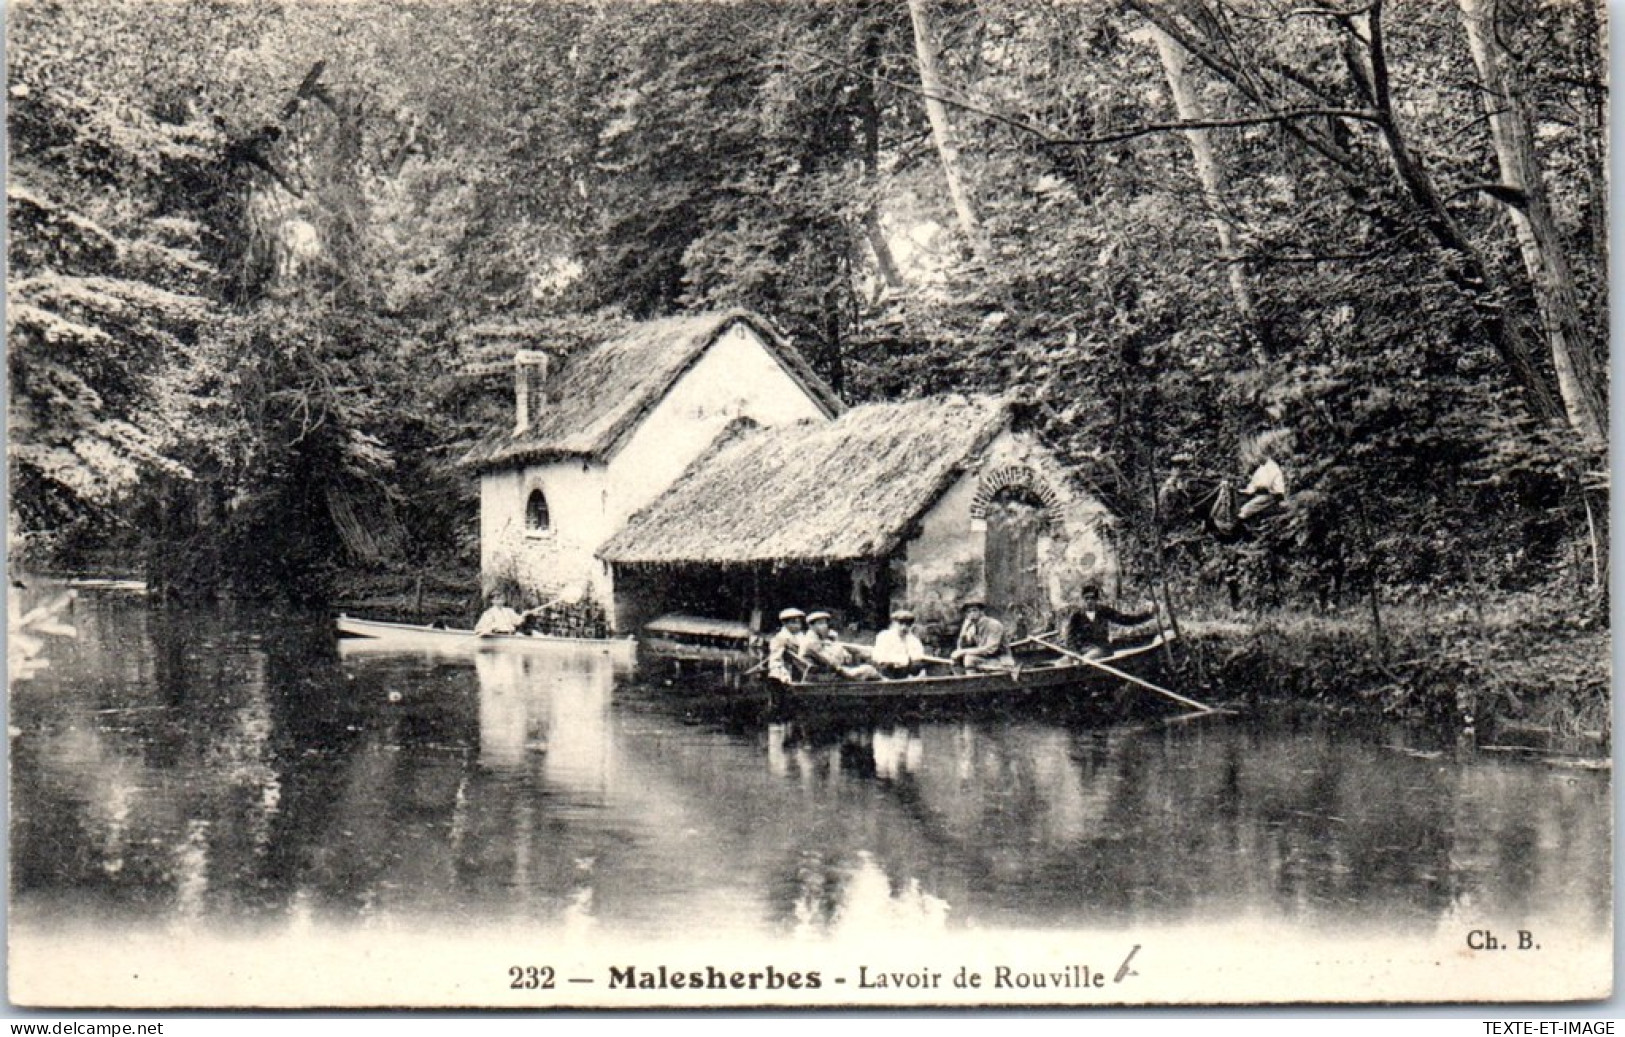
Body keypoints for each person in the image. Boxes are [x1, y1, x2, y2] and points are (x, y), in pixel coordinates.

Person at [1060, 583, 1155, 659]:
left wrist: (1148, 615)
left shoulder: (1104, 611)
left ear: (1097, 600)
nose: (1089, 601)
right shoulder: (1077, 615)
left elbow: (1126, 620)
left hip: (1102, 648)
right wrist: (1074, 653)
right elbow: (1070, 638)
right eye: (1086, 599)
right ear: (1083, 600)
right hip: (1083, 649)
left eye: (1092, 598)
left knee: (1087, 659)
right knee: (1063, 662)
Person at [798, 611, 882, 681]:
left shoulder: (815, 638)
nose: (825, 626)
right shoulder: (811, 642)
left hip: (821, 674)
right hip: (820, 677)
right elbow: (831, 662)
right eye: (820, 623)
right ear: (811, 626)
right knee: (868, 670)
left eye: (825, 623)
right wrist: (840, 651)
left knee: (865, 661)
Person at [950, 599, 1014, 672]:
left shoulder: (994, 625)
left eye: (974, 610)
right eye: (968, 612)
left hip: (1001, 661)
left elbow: (990, 649)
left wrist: (963, 652)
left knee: (969, 659)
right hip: (985, 659)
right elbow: (962, 646)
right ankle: (961, 681)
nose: (971, 614)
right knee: (956, 659)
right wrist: (964, 630)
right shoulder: (972, 627)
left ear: (981, 612)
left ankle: (971, 682)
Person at [871, 609, 929, 679]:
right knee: (886, 666)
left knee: (918, 665)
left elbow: (917, 656)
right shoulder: (884, 636)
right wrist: (900, 660)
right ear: (893, 624)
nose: (904, 627)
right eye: (901, 623)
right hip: (889, 670)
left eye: (908, 624)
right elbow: (878, 657)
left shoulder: (914, 640)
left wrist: (910, 660)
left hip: (904, 670)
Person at [766, 607, 808, 684]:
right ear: (785, 623)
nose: (797, 626)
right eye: (793, 622)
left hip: (804, 669)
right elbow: (775, 659)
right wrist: (782, 675)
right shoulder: (780, 638)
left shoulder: (802, 636)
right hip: (788, 671)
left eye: (799, 622)